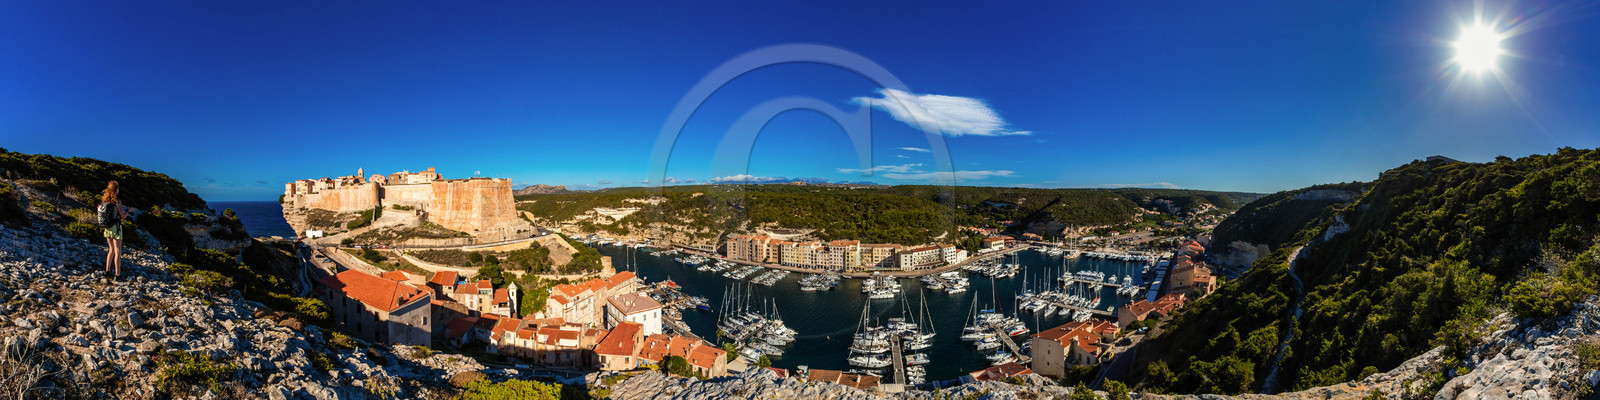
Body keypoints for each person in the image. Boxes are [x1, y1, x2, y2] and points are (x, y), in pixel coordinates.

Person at [101, 181, 131, 278]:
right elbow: (123, 216)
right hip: (116, 228)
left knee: (111, 250)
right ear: (116, 190)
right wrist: (128, 211)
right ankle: (117, 274)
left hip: (107, 228)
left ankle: (107, 271)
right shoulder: (116, 202)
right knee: (118, 251)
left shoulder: (105, 201)